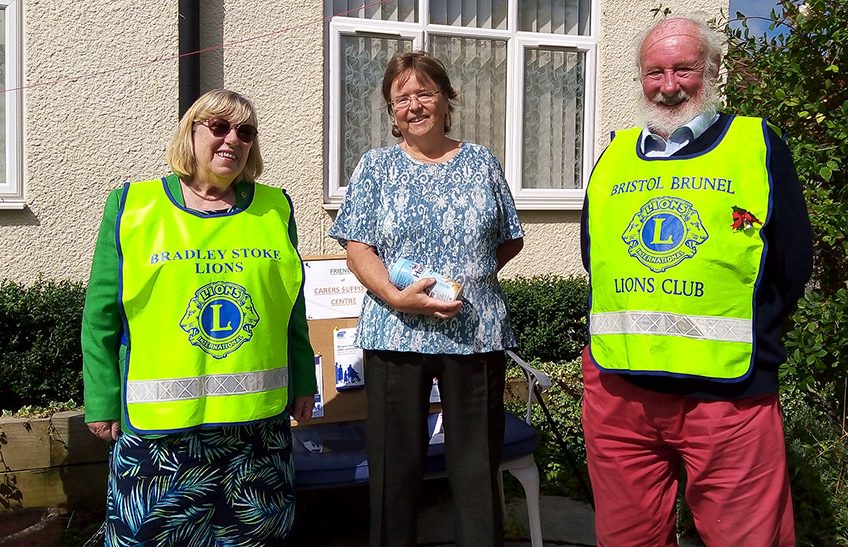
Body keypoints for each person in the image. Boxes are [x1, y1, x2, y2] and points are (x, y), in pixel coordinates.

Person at [580, 15, 812, 546]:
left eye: (684, 69)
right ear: (639, 77)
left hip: (727, 396)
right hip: (620, 393)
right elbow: (597, 260)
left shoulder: (757, 145)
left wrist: (758, 345)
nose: (668, 86)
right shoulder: (613, 156)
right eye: (654, 72)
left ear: (711, 70)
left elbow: (792, 264)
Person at [82, 89, 317, 546]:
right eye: (219, 127)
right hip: (159, 437)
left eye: (245, 132)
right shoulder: (132, 206)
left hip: (256, 436)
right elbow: (101, 315)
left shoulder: (275, 208)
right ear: (190, 133)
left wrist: (303, 380)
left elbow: (291, 307)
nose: (233, 139)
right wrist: (102, 399)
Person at [328, 51, 524, 547]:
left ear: (445, 99)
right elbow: (357, 247)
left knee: (476, 468)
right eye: (402, 98)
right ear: (391, 111)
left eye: (424, 93)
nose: (414, 105)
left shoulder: (482, 162)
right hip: (396, 333)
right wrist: (399, 297)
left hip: (474, 333)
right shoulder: (375, 167)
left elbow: (510, 237)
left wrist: (467, 283)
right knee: (395, 467)